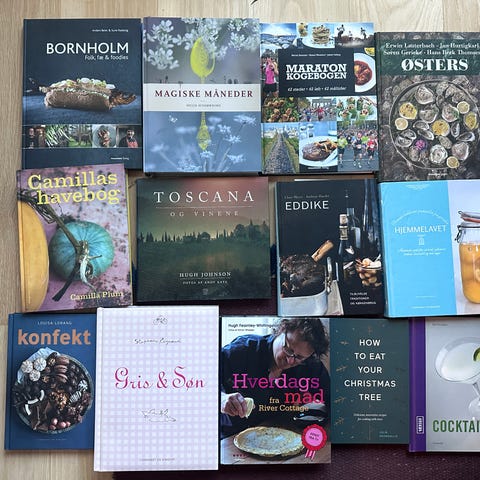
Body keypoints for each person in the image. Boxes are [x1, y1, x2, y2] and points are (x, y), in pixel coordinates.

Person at [220, 317, 330, 438]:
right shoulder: (242, 350)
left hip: (276, 433)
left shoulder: (310, 364)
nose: (290, 360)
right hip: (230, 435)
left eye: (299, 357)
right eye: (288, 350)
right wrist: (222, 398)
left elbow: (333, 398)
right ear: (281, 331)